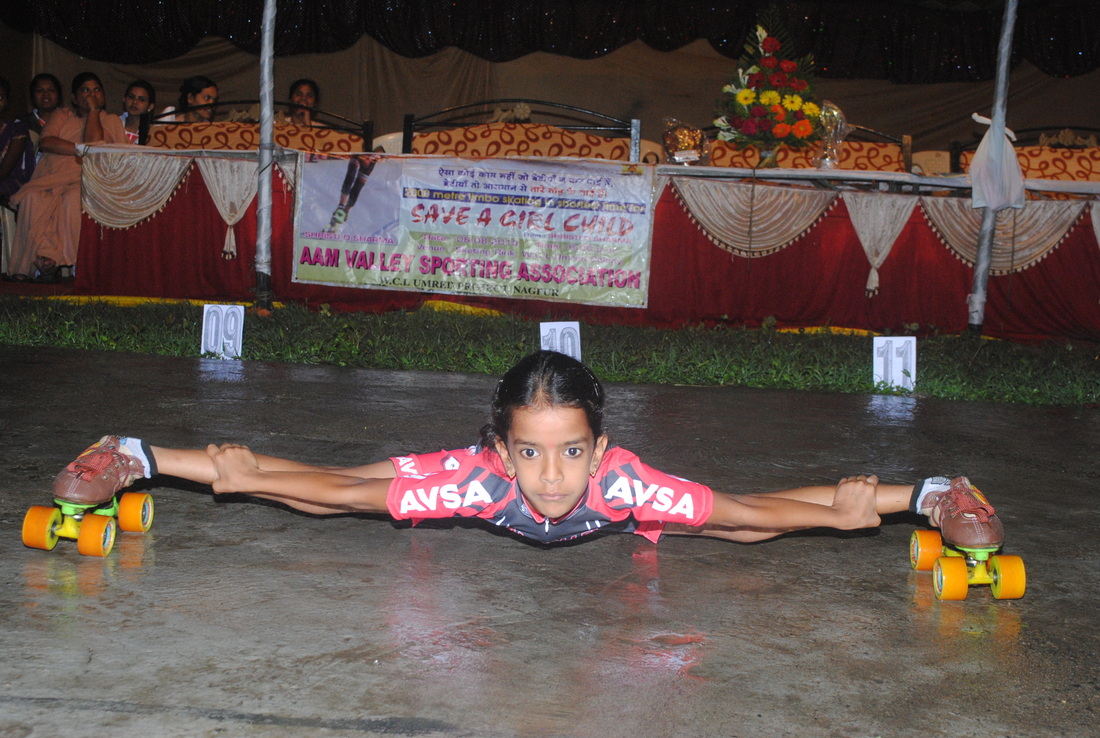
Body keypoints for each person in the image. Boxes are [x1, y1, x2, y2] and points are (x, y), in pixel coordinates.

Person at [49, 351, 1003, 551]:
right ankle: (130, 450)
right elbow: (316, 485)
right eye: (536, 454)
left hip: (619, 509)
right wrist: (211, 465)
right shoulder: (485, 478)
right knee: (321, 492)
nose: (555, 480)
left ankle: (931, 489)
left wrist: (875, 500)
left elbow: (761, 513)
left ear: (602, 447)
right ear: (504, 449)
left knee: (745, 525)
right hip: (461, 484)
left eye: (573, 453)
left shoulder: (618, 483)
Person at [7, 72, 126, 282]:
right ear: (73, 97)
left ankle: (72, 264)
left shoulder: (111, 120)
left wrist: (93, 112)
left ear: (104, 96)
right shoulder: (62, 115)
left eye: (96, 90)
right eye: (85, 90)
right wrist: (82, 150)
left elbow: (95, 143)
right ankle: (37, 263)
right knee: (31, 200)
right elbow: (47, 142)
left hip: (86, 179)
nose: (91, 94)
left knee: (72, 201)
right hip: (50, 177)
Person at [0, 76, 35, 208]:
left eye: (0, 98)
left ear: (7, 101)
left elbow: (4, 171)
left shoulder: (16, 128)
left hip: (10, 183)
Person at [21, 73, 62, 138]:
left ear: (59, 95)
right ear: (33, 95)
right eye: (40, 90)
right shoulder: (22, 123)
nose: (46, 94)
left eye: (51, 90)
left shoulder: (69, 120)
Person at [119, 80, 156, 144]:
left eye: (142, 99)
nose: (134, 102)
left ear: (150, 106)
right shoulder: (114, 124)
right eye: (131, 97)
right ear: (124, 99)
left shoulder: (153, 132)